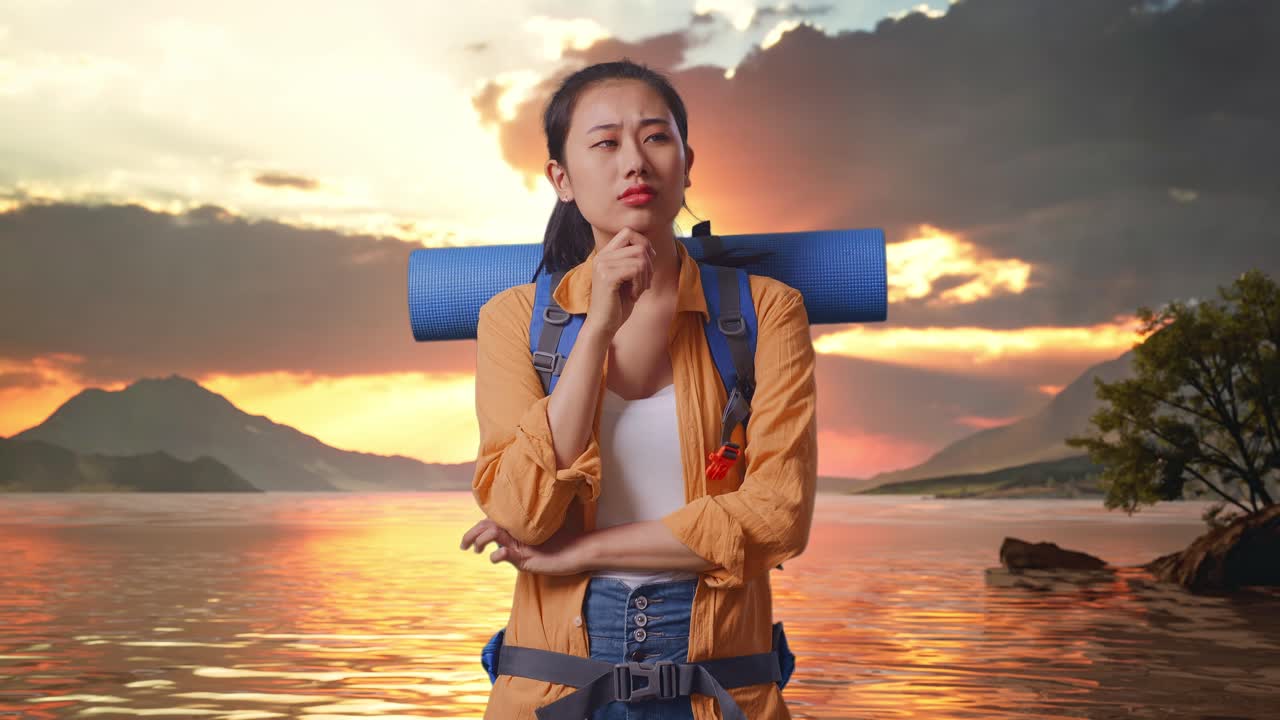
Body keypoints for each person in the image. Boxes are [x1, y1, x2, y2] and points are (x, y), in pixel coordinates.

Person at [459, 58, 817, 720]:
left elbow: (777, 518)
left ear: (687, 163)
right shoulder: (512, 319)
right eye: (605, 143)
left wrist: (576, 553)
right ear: (562, 180)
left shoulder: (767, 312)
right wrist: (597, 328)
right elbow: (521, 514)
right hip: (553, 689)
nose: (635, 162)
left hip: (721, 689)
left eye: (655, 137)